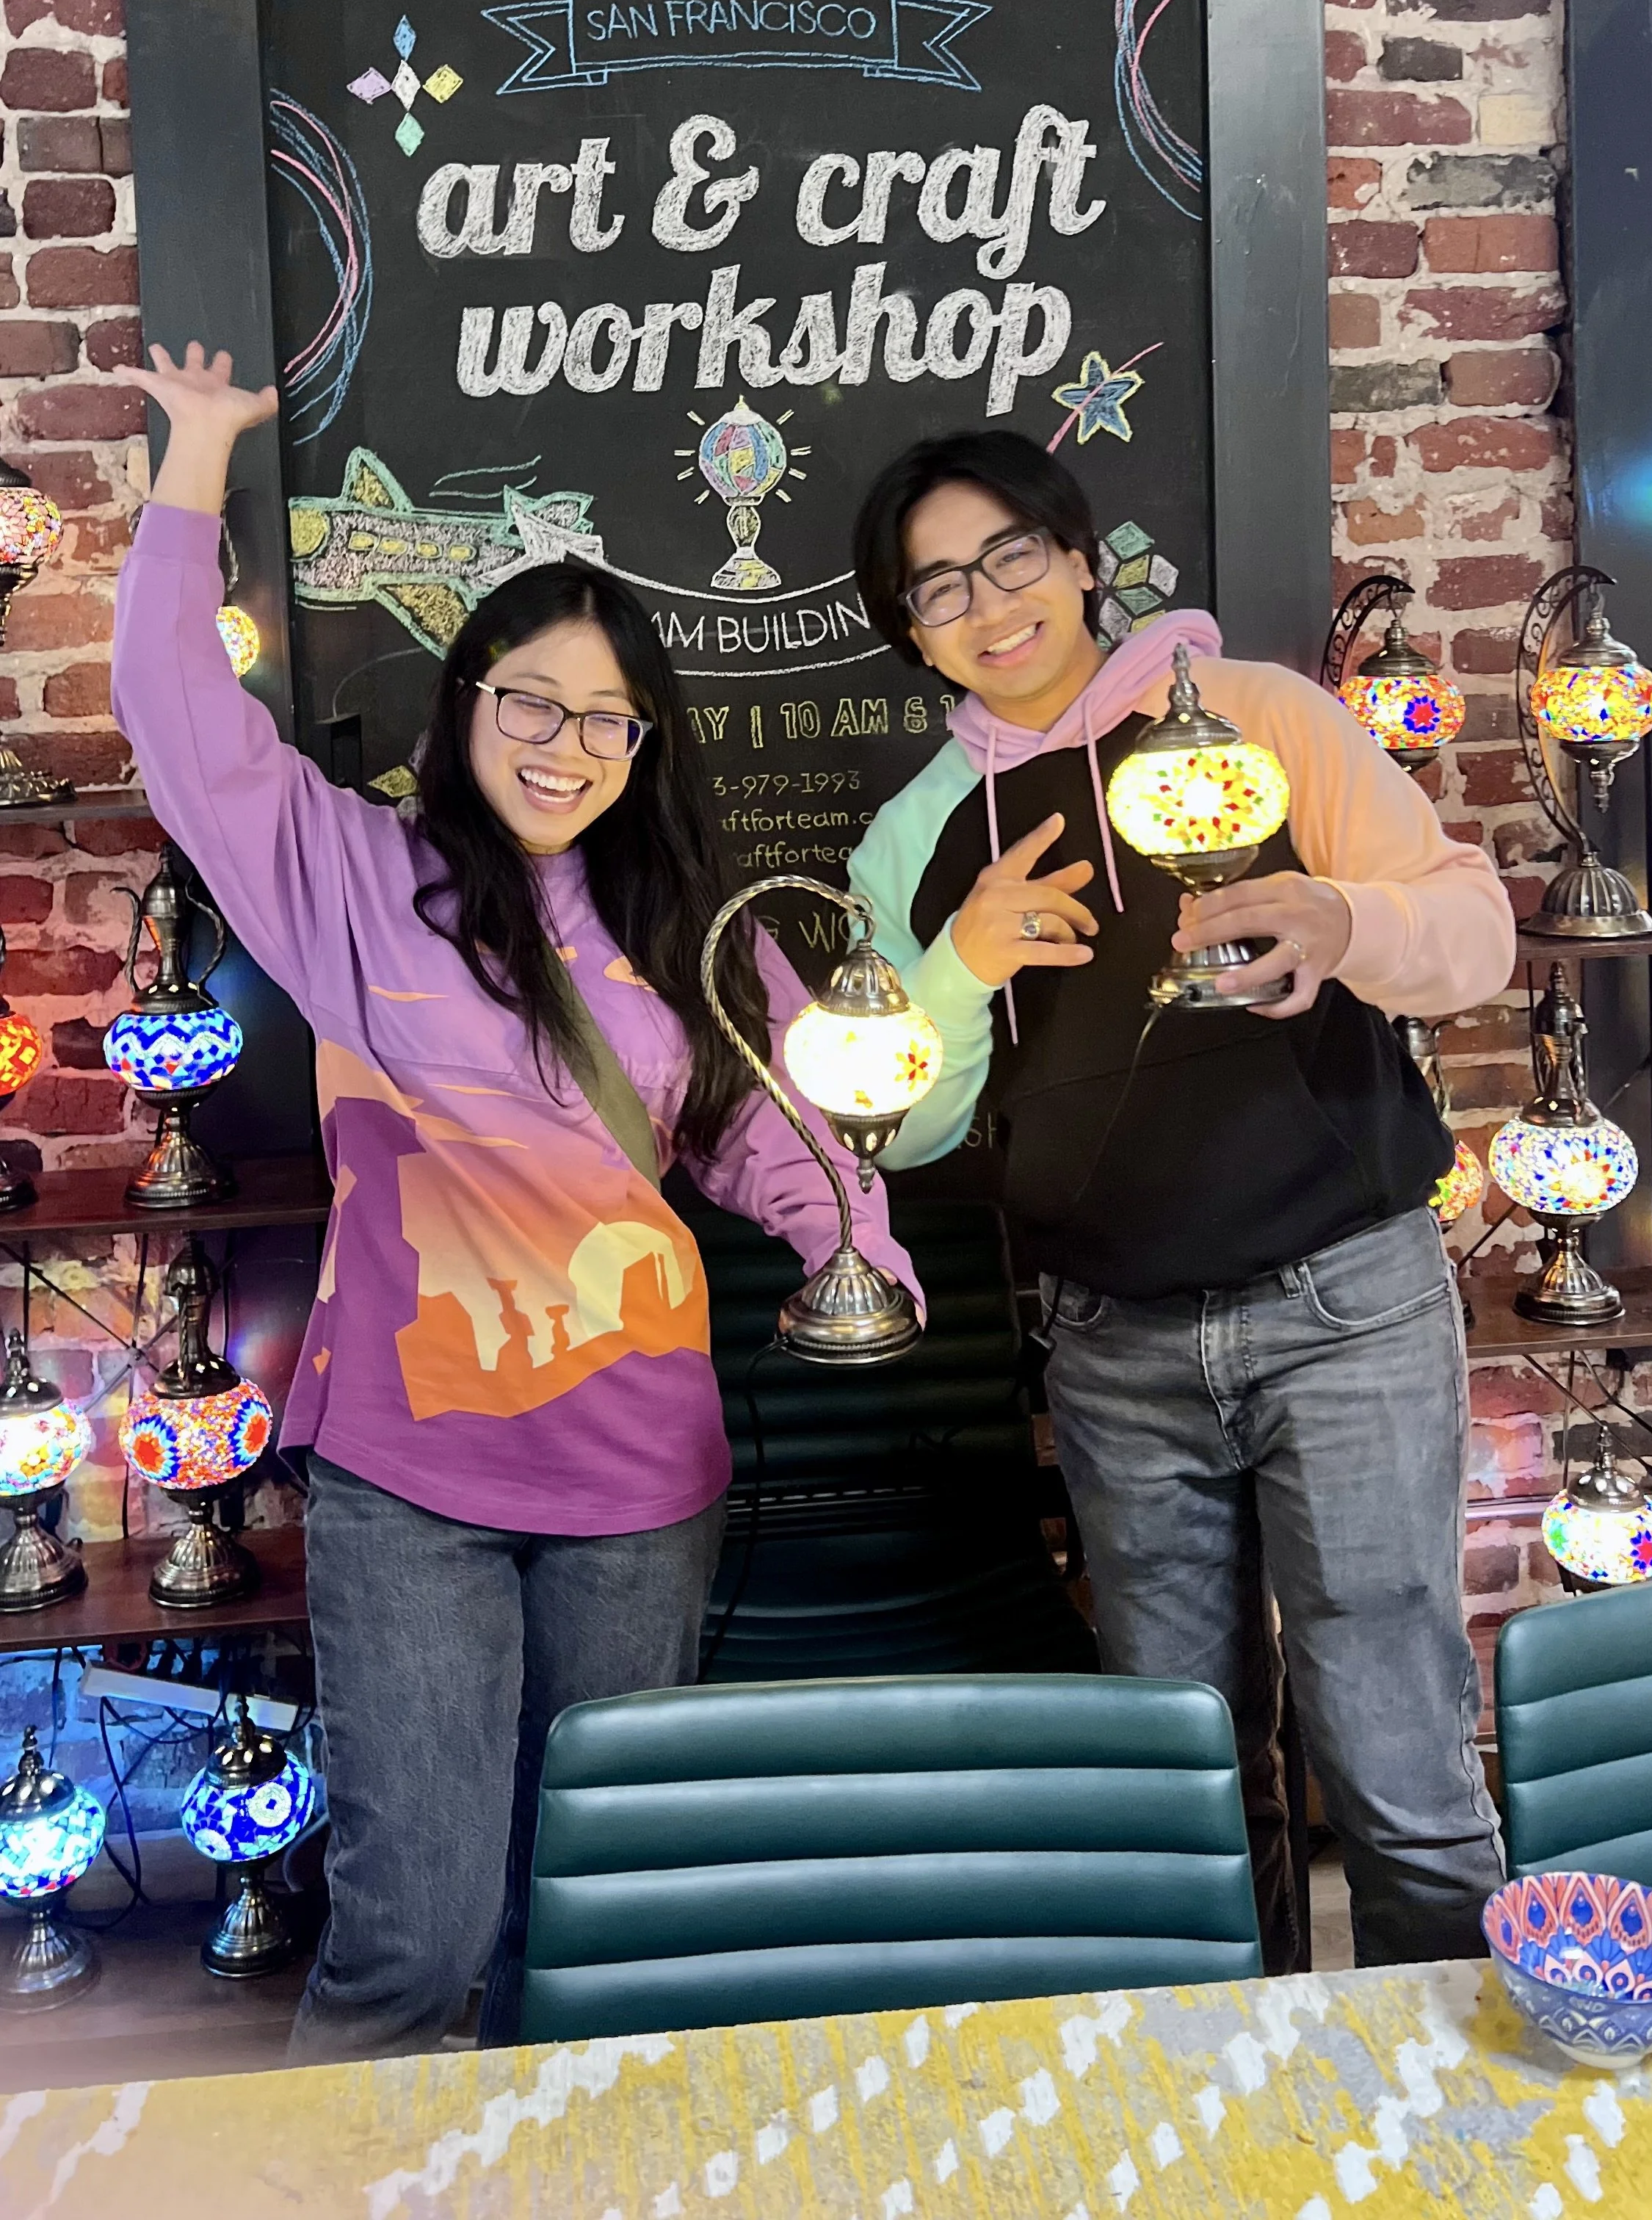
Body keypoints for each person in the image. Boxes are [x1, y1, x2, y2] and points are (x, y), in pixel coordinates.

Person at [112, 342, 921, 2060]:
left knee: (598, 1912)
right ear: (464, 702)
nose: (569, 745)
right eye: (532, 703)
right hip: (411, 1473)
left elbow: (783, 1128)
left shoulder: (689, 917)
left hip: (641, 1474)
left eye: (607, 716)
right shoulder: (354, 876)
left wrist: (863, 1244)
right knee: (419, 1936)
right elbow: (183, 726)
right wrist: (193, 466)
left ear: (647, 738)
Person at [845, 429, 1515, 1973]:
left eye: (1013, 554)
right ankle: (1240, 2112)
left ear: (1082, 558)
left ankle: (1448, 2127)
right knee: (1194, 1777)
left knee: (1399, 1759)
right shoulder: (916, 835)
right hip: (1112, 1342)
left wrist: (1338, 918)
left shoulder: (1260, 720)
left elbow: (1472, 931)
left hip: (1345, 1300)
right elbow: (900, 1126)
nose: (987, 603)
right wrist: (962, 961)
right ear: (910, 629)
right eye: (937, 587)